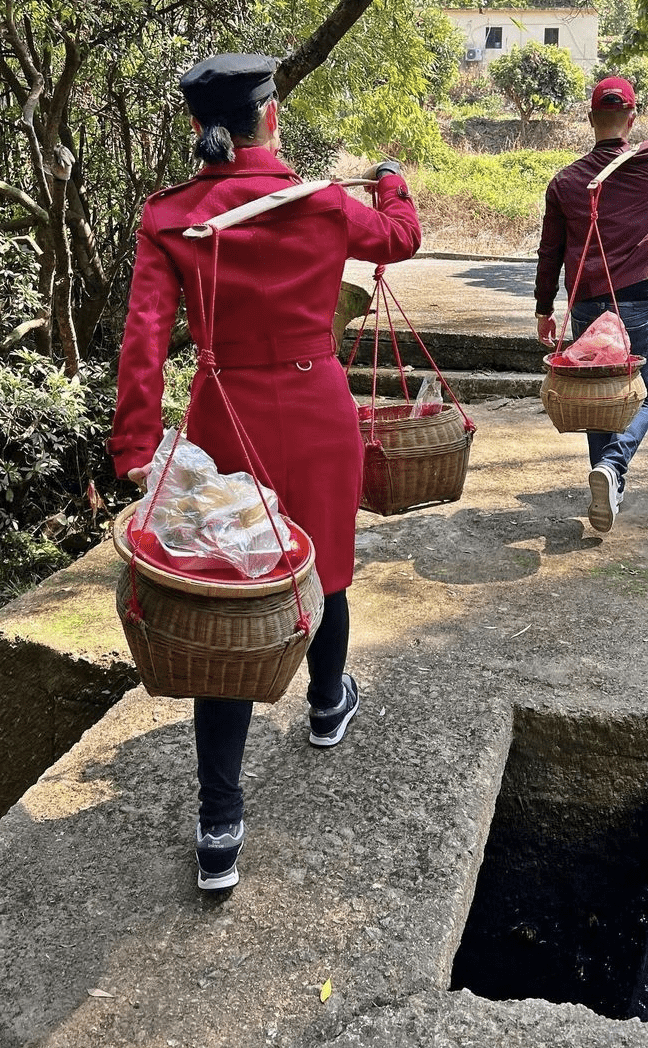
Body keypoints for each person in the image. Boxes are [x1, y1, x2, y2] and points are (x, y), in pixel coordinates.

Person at [109, 53, 421, 890]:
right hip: (318, 410)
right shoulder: (322, 202)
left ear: (196, 129)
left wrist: (137, 449)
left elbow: (143, 340)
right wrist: (391, 183)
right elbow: (400, 238)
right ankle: (327, 706)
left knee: (229, 600)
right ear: (271, 116)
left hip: (223, 420)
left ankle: (219, 827)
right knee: (328, 569)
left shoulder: (171, 216)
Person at [534, 76, 648, 534]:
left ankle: (609, 480)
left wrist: (542, 309)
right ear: (631, 118)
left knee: (597, 395)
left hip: (586, 304)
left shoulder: (566, 182)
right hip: (635, 300)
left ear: (591, 121)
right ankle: (612, 468)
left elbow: (549, 251)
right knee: (645, 393)